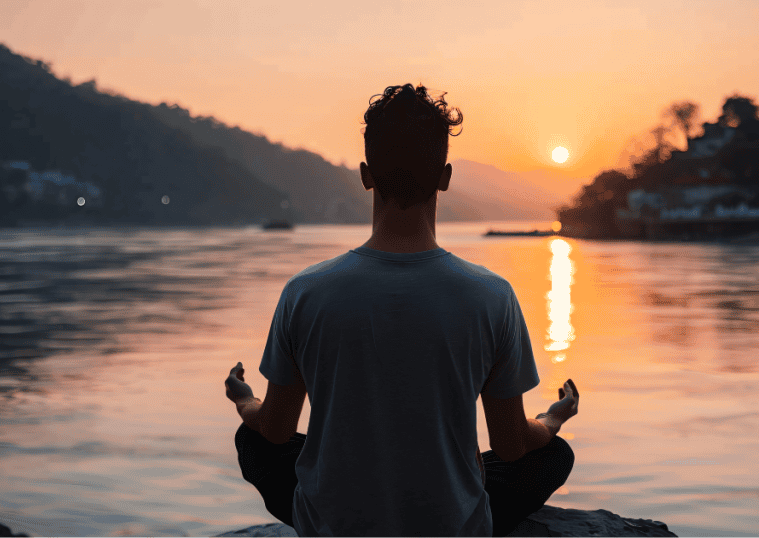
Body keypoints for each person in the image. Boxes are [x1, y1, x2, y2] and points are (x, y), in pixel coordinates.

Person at [225, 83, 579, 537]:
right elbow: (510, 446)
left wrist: (244, 400)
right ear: (445, 176)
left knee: (251, 442)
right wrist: (553, 418)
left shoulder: (305, 292)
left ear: (366, 175)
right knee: (553, 454)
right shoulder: (492, 296)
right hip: (450, 526)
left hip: (333, 525)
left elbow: (274, 430)